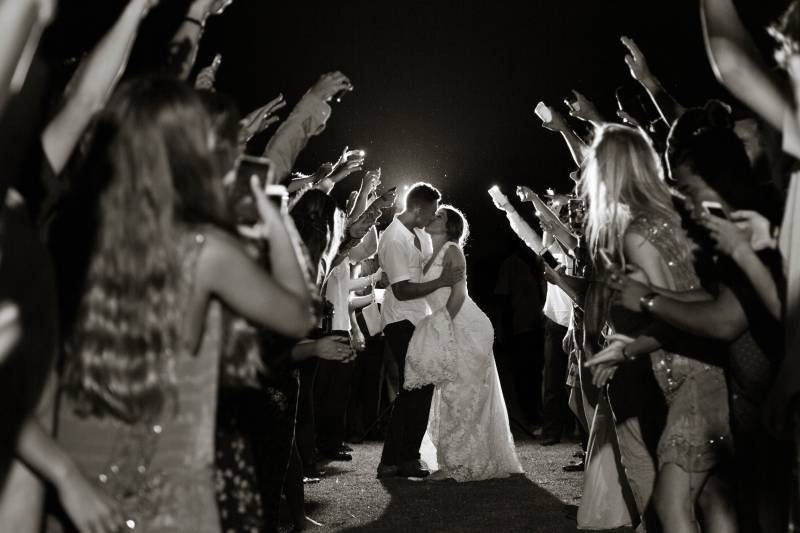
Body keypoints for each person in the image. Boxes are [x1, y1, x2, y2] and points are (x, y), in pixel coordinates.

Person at [47, 76, 314, 533]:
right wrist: (275, 215)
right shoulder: (201, 250)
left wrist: (64, 476)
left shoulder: (65, 226)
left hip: (76, 466)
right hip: (162, 484)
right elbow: (297, 316)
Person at [581, 124, 734, 532]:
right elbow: (697, 296)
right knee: (715, 497)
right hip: (714, 369)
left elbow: (674, 319)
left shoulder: (638, 234)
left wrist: (624, 349)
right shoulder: (672, 214)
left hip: (690, 377)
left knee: (671, 507)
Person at [404, 205, 523, 481]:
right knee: (449, 392)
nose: (433, 216)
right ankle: (454, 460)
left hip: (465, 326)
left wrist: (443, 325)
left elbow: (459, 293)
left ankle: (457, 464)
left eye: (440, 215)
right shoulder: (425, 252)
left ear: (450, 226)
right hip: (444, 323)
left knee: (461, 394)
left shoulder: (452, 250)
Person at [375, 182, 463, 479]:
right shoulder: (394, 239)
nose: (433, 217)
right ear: (418, 209)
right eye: (432, 212)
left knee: (416, 387)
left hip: (420, 319)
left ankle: (399, 459)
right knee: (416, 385)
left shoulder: (419, 234)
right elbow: (400, 290)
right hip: (400, 319)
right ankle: (401, 459)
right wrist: (440, 283)